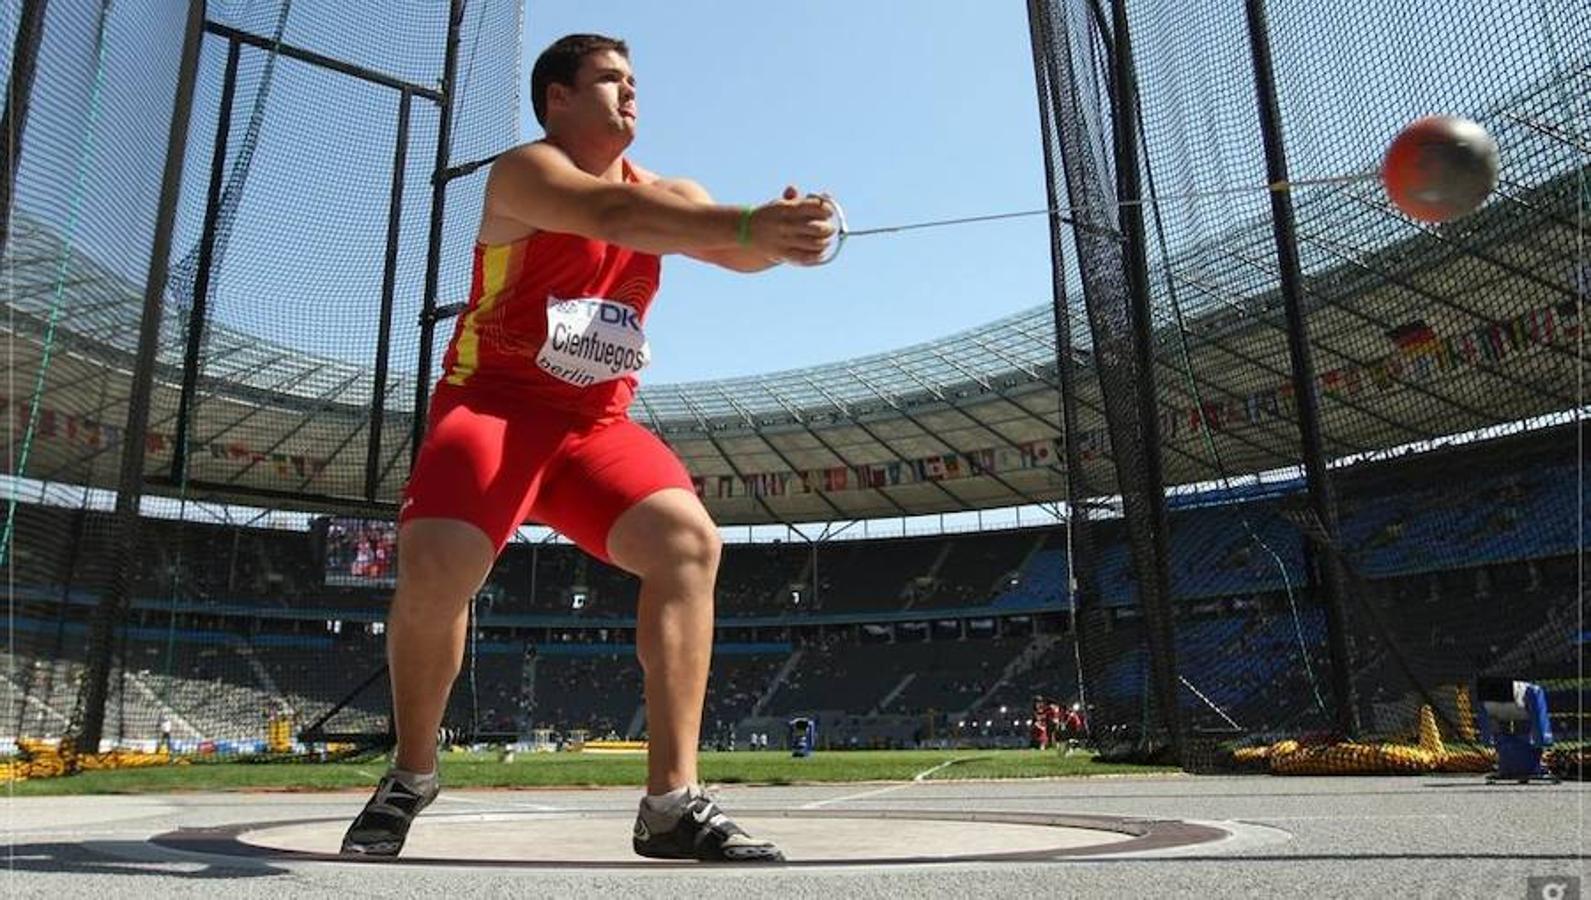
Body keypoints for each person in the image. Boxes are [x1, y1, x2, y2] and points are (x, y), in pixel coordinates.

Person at [340, 33, 834, 862]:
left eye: (635, 80)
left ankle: (671, 803)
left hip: (590, 431)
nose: (630, 93)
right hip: (492, 410)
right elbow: (614, 217)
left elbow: (726, 248)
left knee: (687, 544)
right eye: (609, 79)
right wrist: (752, 223)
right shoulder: (523, 173)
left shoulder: (670, 191)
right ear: (556, 99)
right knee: (439, 562)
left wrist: (787, 239)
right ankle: (410, 774)